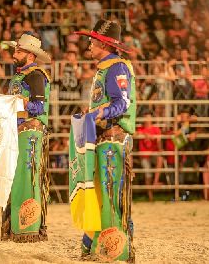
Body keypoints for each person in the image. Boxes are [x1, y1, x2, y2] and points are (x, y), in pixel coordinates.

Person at [70, 19, 136, 262]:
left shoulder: (117, 68)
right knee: (101, 193)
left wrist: (98, 113)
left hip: (113, 141)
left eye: (91, 40)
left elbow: (122, 103)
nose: (88, 44)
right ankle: (93, 244)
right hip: (104, 140)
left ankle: (115, 249)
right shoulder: (106, 68)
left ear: (102, 43)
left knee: (111, 195)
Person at [0, 32, 52, 242]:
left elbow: (39, 107)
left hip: (29, 132)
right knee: (16, 179)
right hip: (17, 132)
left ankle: (28, 226)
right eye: (15, 49)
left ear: (30, 55)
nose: (15, 53)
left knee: (27, 178)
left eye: (19, 50)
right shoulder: (21, 76)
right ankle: (16, 225)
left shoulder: (36, 75)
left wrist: (21, 103)